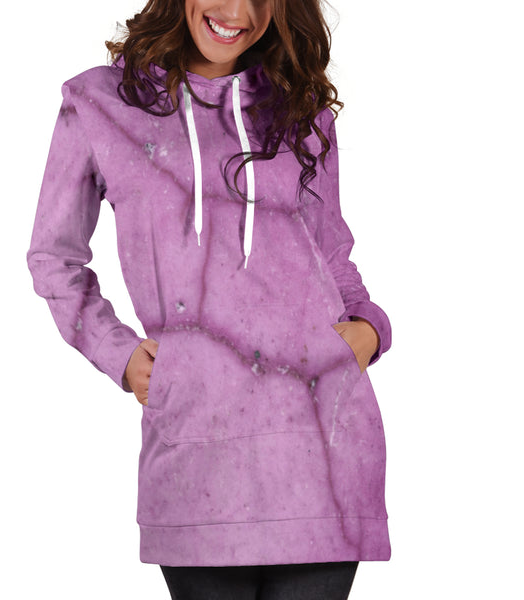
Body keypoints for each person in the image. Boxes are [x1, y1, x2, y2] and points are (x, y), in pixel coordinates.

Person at [26, 0, 393, 597]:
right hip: (194, 452)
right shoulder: (98, 104)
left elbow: (331, 253)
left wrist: (369, 328)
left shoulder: (300, 107)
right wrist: (119, 354)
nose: (237, 10)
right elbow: (54, 256)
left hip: (323, 450)